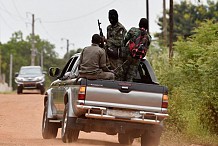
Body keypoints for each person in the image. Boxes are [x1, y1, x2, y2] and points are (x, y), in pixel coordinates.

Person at [105, 9, 127, 81]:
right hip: (109, 55)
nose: (111, 19)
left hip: (117, 56)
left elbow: (120, 42)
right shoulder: (109, 28)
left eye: (112, 17)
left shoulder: (121, 28)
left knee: (118, 76)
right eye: (109, 18)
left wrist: (107, 41)